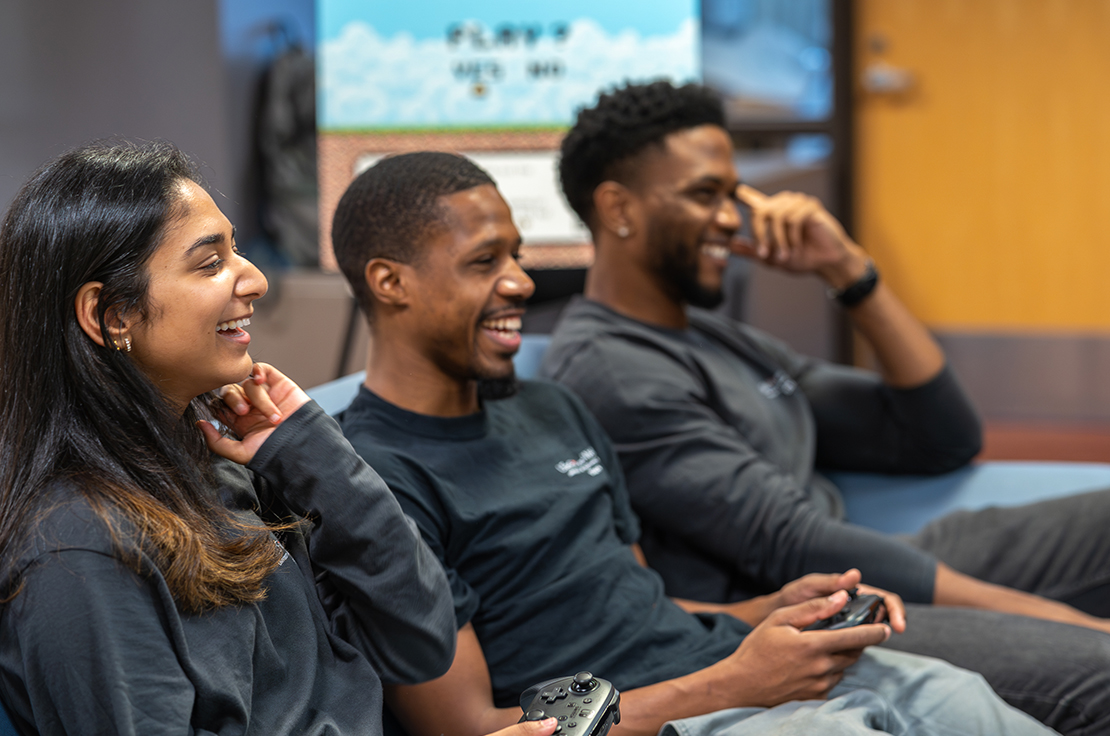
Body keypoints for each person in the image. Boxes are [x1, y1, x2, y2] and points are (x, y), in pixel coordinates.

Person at [330, 150, 1054, 736]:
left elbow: (641, 603)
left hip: (726, 672)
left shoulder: (554, 409)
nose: (520, 282)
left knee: (964, 699)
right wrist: (735, 684)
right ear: (391, 283)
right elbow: (471, 728)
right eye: (485, 262)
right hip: (677, 716)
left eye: (516, 256)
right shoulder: (374, 482)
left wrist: (771, 611)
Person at [539, 80, 1110, 735]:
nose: (731, 217)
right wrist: (1061, 621)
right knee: (1099, 667)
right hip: (807, 611)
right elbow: (792, 543)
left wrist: (849, 272)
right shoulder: (611, 368)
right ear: (619, 209)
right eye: (705, 195)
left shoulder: (715, 334)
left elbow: (940, 435)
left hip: (872, 562)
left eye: (733, 194)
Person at [0, 140, 556, 736]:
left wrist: (312, 451)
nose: (257, 280)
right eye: (210, 263)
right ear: (112, 316)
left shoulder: (229, 463)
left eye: (236, 251)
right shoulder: (79, 550)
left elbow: (418, 644)